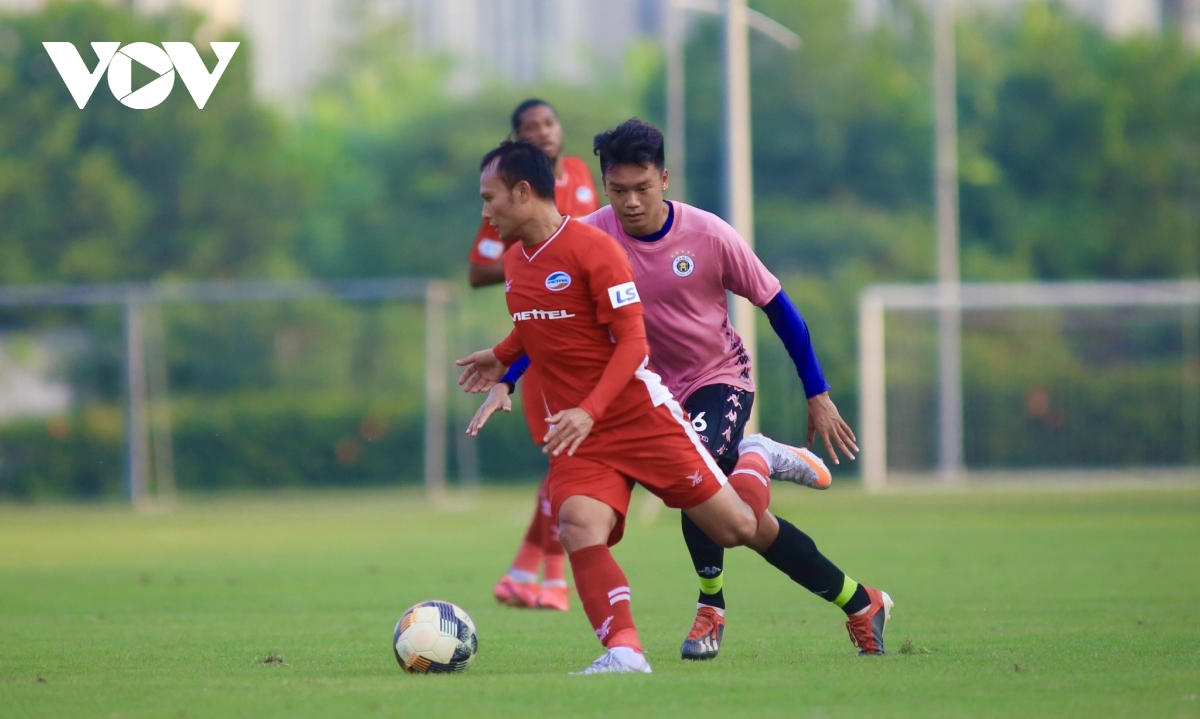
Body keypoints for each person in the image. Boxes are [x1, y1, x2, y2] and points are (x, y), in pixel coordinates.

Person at [457, 140, 890, 674]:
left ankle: (751, 462)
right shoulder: (529, 257)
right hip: (588, 422)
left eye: (489, 197)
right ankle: (624, 650)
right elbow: (547, 324)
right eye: (618, 190)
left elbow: (654, 339)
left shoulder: (655, 240)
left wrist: (816, 391)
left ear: (664, 179)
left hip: (674, 396)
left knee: (732, 527)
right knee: (577, 526)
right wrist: (505, 367)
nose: (630, 201)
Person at [467, 99, 600, 612]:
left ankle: (533, 574)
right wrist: (542, 256)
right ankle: (543, 575)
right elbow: (477, 269)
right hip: (546, 339)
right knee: (564, 457)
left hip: (589, 338)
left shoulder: (583, 175)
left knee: (566, 459)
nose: (543, 132)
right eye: (530, 128)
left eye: (548, 122)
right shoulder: (507, 201)